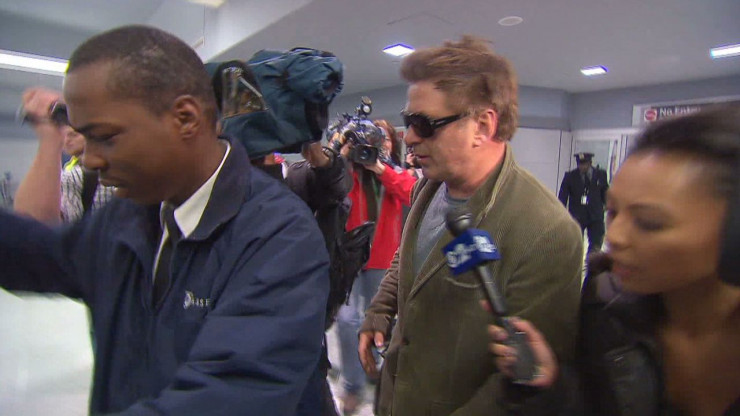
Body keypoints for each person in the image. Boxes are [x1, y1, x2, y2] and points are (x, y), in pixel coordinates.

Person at [0, 25, 329, 415]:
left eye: (105, 137)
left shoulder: (279, 236)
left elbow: (229, 395)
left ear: (185, 118)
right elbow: (39, 254)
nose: (90, 159)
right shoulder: (126, 216)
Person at [357, 35, 583, 415]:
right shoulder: (430, 186)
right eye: (408, 122)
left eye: (424, 124)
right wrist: (380, 309)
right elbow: (410, 257)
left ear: (482, 125)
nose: (409, 137)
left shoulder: (547, 232)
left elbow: (522, 383)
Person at [490, 106, 740, 415]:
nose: (616, 237)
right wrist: (552, 385)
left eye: (649, 222)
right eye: (613, 212)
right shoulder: (606, 305)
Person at [332, 118, 416, 415]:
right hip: (349, 258)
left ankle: (376, 372)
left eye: (386, 139)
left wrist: (379, 168)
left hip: (382, 259)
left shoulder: (394, 171)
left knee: (381, 321)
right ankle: (353, 385)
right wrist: (343, 154)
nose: (380, 144)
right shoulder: (349, 171)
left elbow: (410, 192)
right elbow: (329, 188)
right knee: (346, 320)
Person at [14, 87, 115, 224]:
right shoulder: (70, 168)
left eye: (73, 135)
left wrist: (50, 139)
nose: (67, 141)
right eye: (65, 136)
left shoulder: (75, 177)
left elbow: (36, 223)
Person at [558, 152, 609, 253]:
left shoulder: (600, 175)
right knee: (575, 245)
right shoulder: (570, 176)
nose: (581, 166)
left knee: (596, 244)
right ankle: (576, 262)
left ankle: (591, 262)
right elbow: (562, 197)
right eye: (579, 164)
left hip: (595, 216)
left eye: (584, 163)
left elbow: (605, 192)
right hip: (577, 216)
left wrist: (607, 205)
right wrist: (561, 214)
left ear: (590, 163)